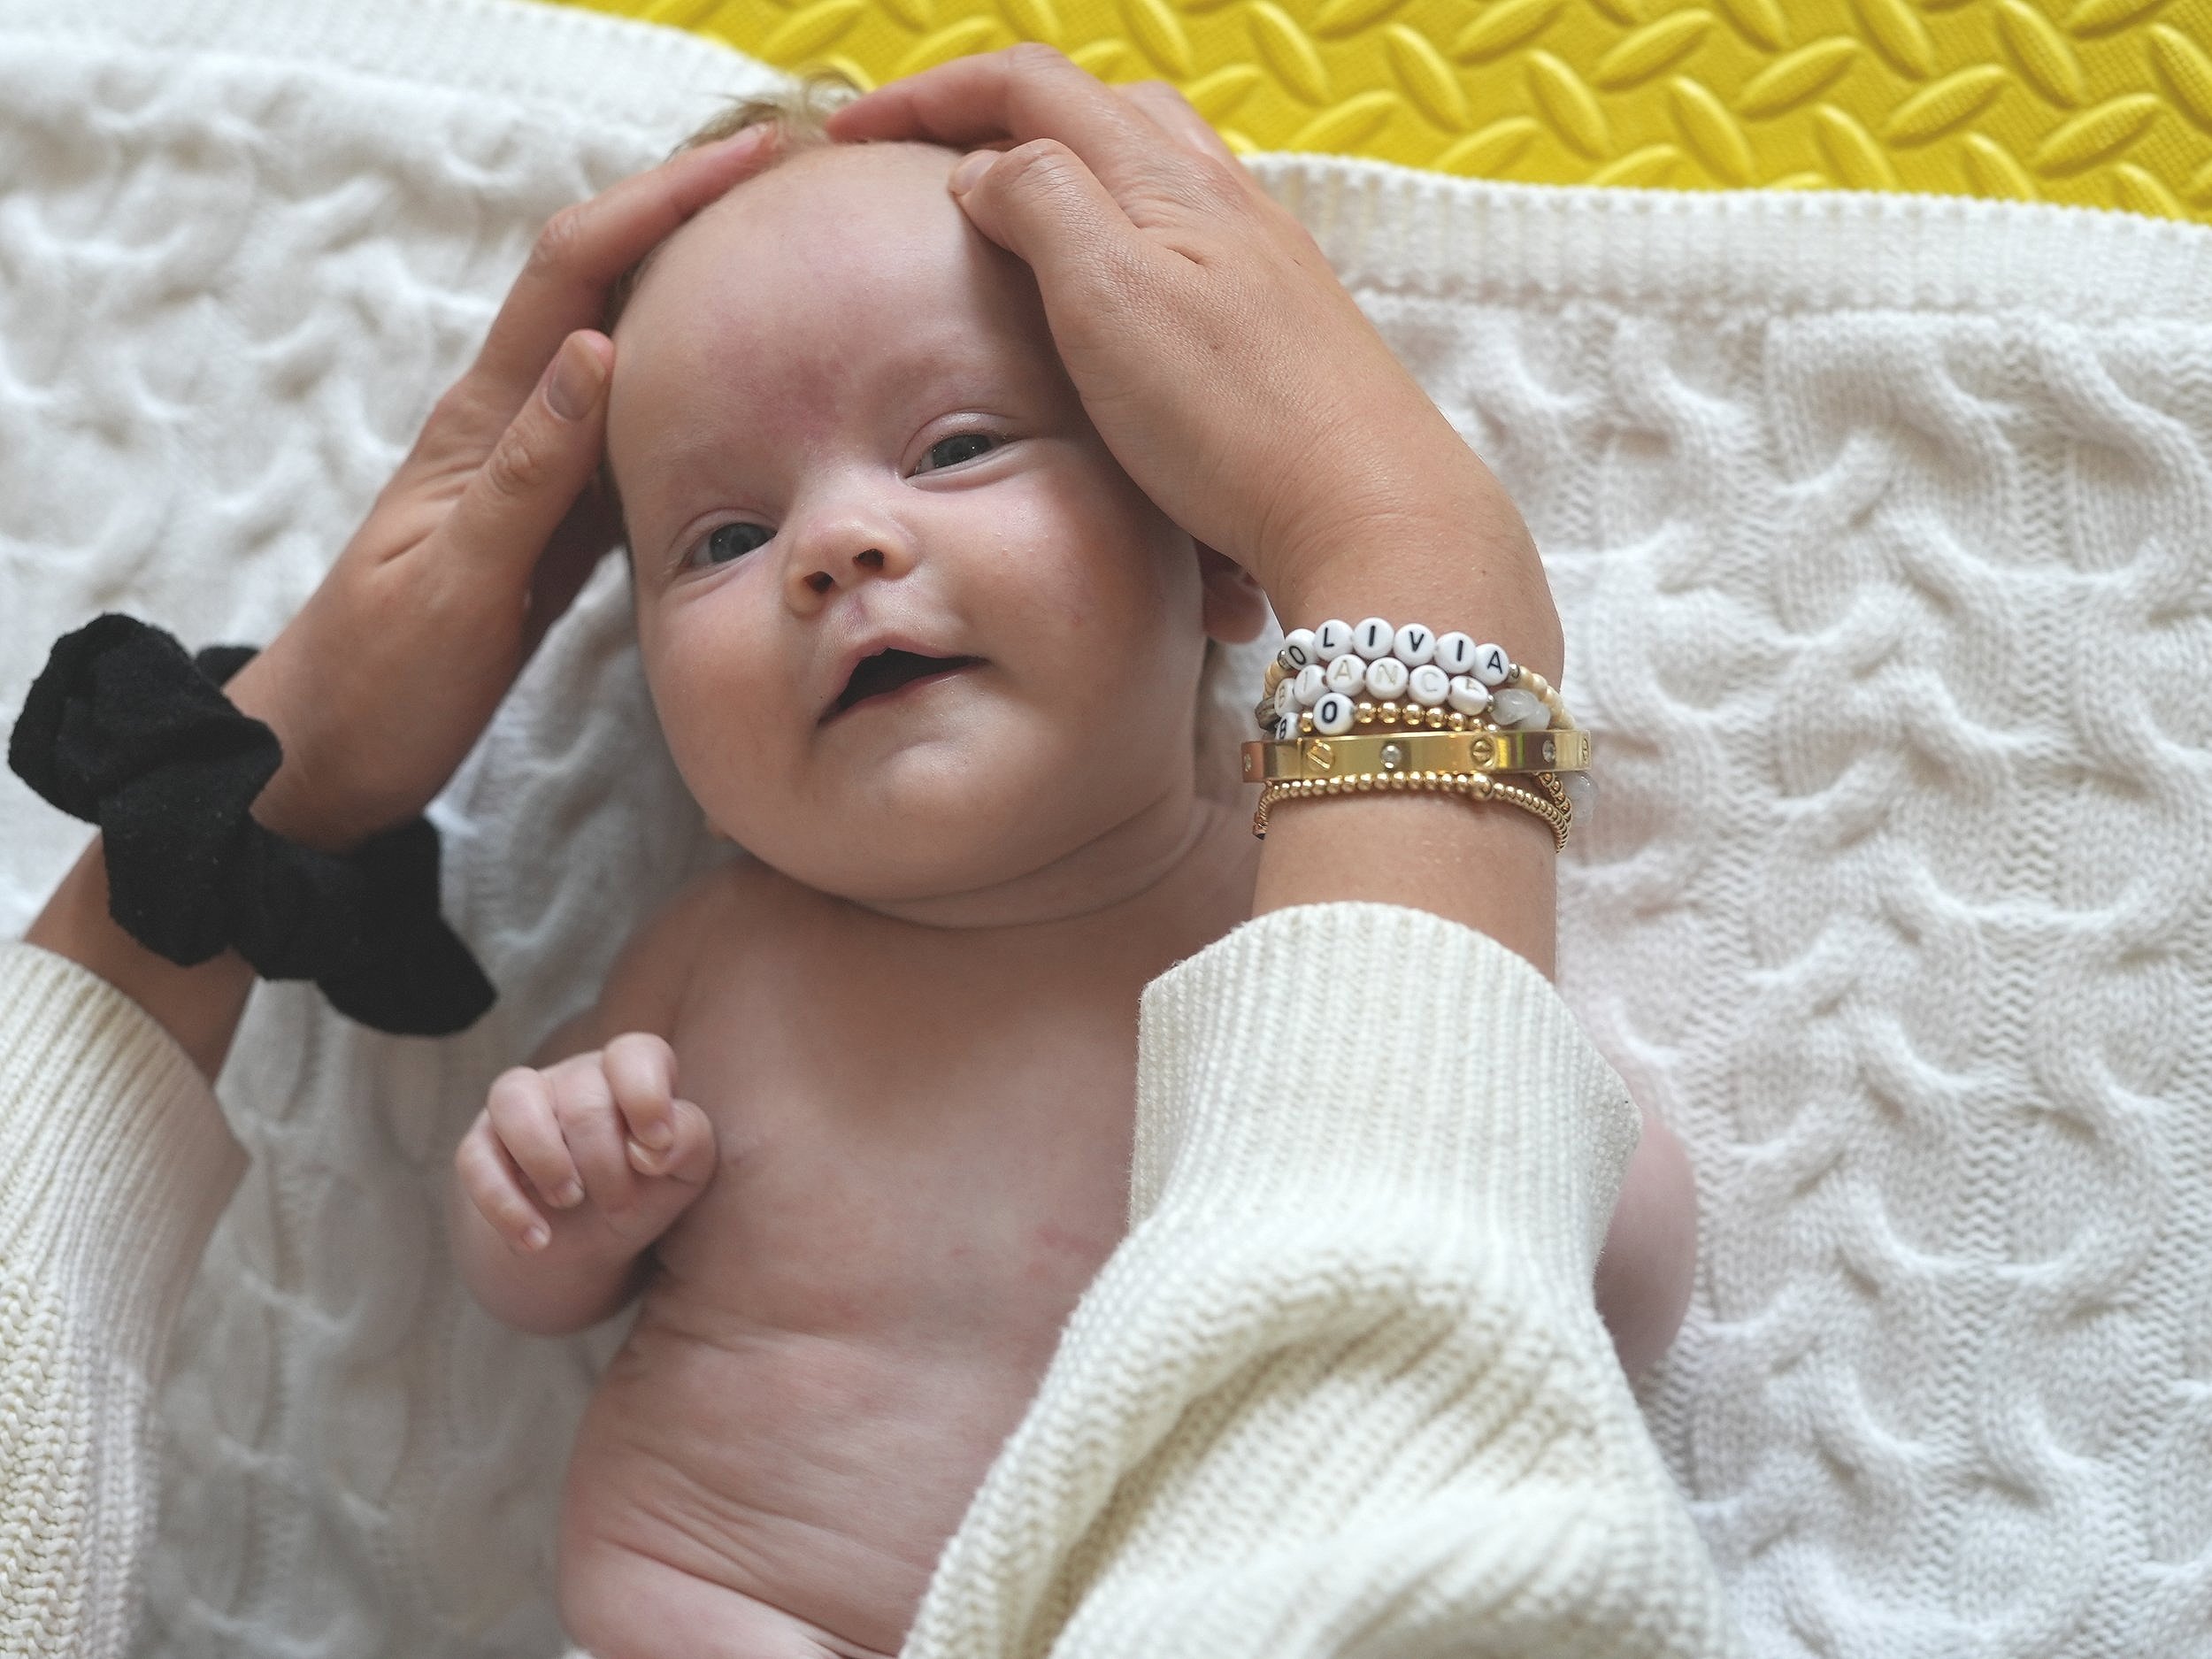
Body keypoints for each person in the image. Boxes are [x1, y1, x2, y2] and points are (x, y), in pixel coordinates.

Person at [0, 45, 1741, 1659]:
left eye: (957, 444)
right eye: (725, 534)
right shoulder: (724, 953)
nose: (838, 544)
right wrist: (550, 1184)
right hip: (734, 1602)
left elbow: (1597, 1294)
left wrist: (1578, 1143)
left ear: (1214, 555)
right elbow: (532, 1279)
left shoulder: (1293, 911)